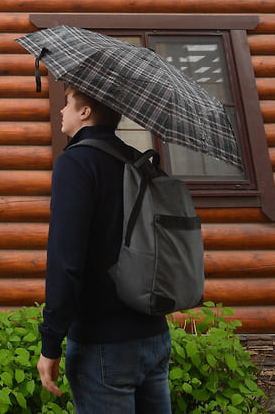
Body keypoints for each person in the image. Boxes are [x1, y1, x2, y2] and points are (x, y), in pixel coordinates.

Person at [36, 84, 172, 413]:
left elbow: (65, 261)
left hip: (103, 345)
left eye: (67, 104)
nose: (61, 111)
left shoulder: (76, 163)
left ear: (86, 112)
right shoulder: (139, 163)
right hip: (154, 336)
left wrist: (51, 342)